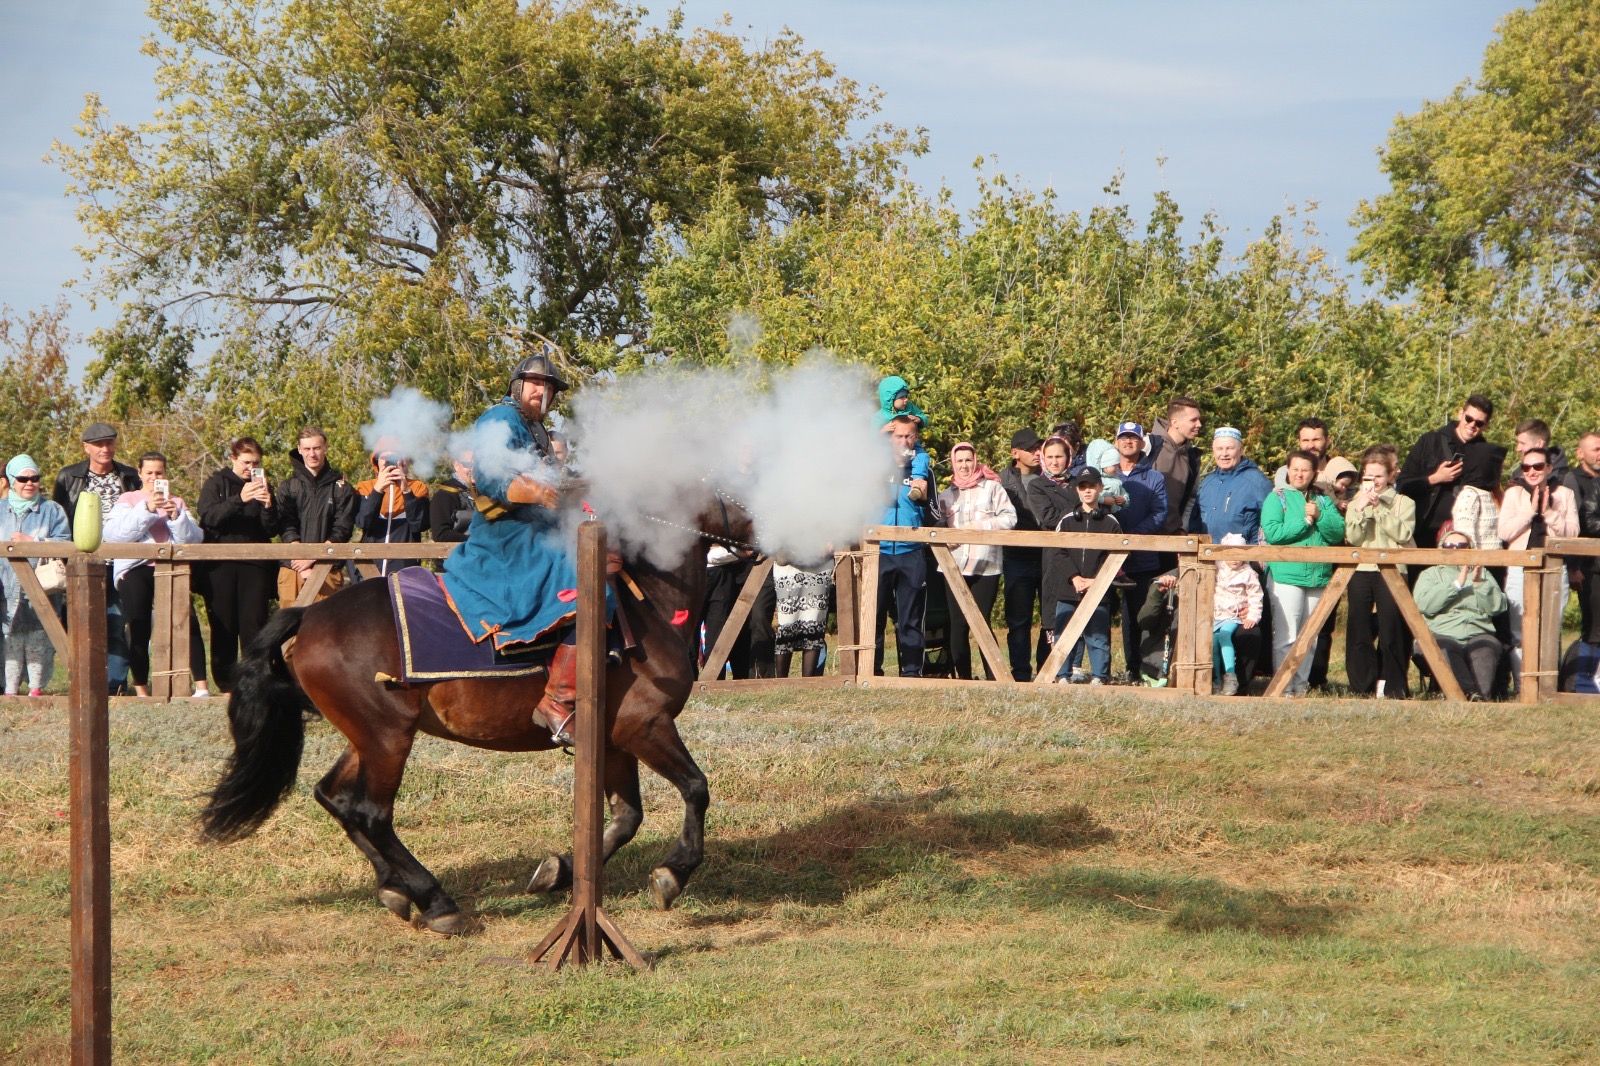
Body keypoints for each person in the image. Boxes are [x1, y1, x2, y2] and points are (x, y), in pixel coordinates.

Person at [439, 340, 608, 746]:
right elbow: (494, 479)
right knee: (589, 588)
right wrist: (536, 492)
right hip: (506, 537)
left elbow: (547, 478)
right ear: (518, 385)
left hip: (533, 530)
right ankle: (556, 700)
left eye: (548, 387)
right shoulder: (500, 418)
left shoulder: (536, 429)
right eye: (534, 383)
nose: (541, 391)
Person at [104, 452, 210, 698]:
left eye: (159, 473)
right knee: (138, 626)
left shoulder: (177, 501)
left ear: (166, 474)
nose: (154, 478)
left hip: (171, 567)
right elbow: (114, 535)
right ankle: (141, 688)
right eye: (149, 473)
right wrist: (147, 509)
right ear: (140, 474)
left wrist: (176, 517)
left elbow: (194, 539)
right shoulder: (127, 500)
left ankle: (201, 687)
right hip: (135, 567)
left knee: (188, 622)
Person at [51, 421, 142, 693]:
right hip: (82, 563)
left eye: (110, 442)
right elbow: (61, 519)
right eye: (99, 444)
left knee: (116, 625)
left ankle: (115, 686)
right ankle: (83, 685)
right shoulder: (69, 476)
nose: (106, 448)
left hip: (120, 564)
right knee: (80, 627)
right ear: (86, 447)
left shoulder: (129, 475)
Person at [198, 437, 281, 694]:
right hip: (220, 566)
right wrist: (240, 499)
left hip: (255, 565)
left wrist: (268, 505)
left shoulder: (263, 485)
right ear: (233, 458)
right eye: (246, 462)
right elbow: (209, 517)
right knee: (223, 626)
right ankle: (225, 686)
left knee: (254, 625)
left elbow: (271, 529)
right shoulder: (216, 483)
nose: (250, 468)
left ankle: (255, 683)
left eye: (255, 463)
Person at [1261, 450, 1346, 696]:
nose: (1299, 474)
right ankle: (1282, 688)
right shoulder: (1277, 498)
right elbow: (1274, 534)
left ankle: (1300, 687)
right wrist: (1305, 522)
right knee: (1286, 636)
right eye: (1295, 469)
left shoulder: (1323, 500)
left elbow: (1337, 533)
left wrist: (1319, 516)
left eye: (1305, 470)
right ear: (1288, 470)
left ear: (1314, 473)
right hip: (1286, 576)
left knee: (1310, 637)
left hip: (1318, 576)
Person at [931, 442, 1017, 680]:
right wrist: (946, 539)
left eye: (968, 460)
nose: (965, 465)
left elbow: (1010, 519)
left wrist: (977, 529)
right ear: (953, 463)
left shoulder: (993, 488)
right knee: (957, 623)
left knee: (982, 621)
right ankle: (963, 677)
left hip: (985, 565)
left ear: (976, 460)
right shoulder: (946, 495)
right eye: (959, 461)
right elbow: (936, 528)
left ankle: (994, 675)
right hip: (954, 566)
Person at [1497, 446, 1578, 687]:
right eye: (1526, 467)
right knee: (1519, 631)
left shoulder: (1564, 494)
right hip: (1520, 568)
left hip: (1553, 568)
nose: (1531, 471)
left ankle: (1548, 688)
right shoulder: (1513, 494)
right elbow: (1504, 532)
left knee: (1551, 631)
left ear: (1549, 468)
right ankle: (1525, 687)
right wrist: (1530, 510)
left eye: (1538, 466)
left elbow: (1572, 534)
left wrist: (1549, 512)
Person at [1343, 446, 1417, 698]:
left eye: (1378, 477)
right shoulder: (1355, 502)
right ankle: (1361, 686)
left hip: (1392, 570)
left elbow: (1403, 534)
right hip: (1362, 570)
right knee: (1359, 628)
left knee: (1391, 629)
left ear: (1389, 477)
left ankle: (1394, 686)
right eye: (1368, 477)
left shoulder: (1403, 503)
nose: (1373, 482)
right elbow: (1353, 538)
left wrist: (1380, 509)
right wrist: (1361, 509)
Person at [1044, 468, 1120, 684]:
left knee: (1097, 636)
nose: (1087, 491)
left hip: (1099, 588)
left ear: (1100, 488)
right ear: (1077, 490)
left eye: (1092, 486)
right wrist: (1074, 577)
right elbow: (1058, 553)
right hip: (1068, 588)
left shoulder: (1112, 523)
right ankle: (1062, 675)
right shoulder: (1066, 521)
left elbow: (1115, 556)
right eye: (1083, 487)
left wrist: (1098, 580)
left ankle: (1099, 676)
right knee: (1064, 633)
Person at [2, 455, 70, 695]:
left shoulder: (53, 511)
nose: (29, 483)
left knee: (39, 638)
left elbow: (66, 544)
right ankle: (9, 690)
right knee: (10, 638)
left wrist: (35, 542)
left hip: (43, 587)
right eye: (23, 478)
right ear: (11, 480)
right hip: (6, 585)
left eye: (34, 478)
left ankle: (36, 688)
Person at [1398, 395, 1504, 549]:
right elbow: (1402, 485)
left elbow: (1492, 498)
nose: (1472, 425)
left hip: (1464, 538)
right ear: (1461, 414)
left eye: (1479, 423)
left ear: (1486, 426)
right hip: (1424, 533)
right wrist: (1434, 478)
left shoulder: (1486, 456)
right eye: (1469, 418)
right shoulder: (1430, 441)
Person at [1414, 529, 1509, 700]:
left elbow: (1497, 607)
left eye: (1461, 546)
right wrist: (1457, 584)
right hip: (1443, 633)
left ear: (1470, 549)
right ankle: (1469, 695)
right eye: (1449, 545)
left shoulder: (1482, 572)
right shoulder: (1430, 574)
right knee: (1443, 647)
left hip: (1477, 632)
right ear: (1441, 548)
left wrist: (1479, 584)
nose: (1455, 549)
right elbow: (1425, 605)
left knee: (1485, 648)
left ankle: (1480, 699)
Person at [1107, 421, 1168, 682]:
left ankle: (1139, 669)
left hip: (1142, 555)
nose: (1128, 442)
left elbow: (1159, 513)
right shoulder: (1105, 476)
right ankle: (1101, 671)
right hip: (1107, 557)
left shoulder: (1154, 477)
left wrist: (1132, 539)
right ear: (1116, 442)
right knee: (1100, 614)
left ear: (1142, 442)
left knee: (1140, 616)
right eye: (1123, 438)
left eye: (1133, 438)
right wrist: (1114, 538)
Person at [873, 414, 932, 677]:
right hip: (879, 550)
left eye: (909, 435)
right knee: (873, 616)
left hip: (912, 552)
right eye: (899, 436)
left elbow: (935, 513)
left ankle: (911, 672)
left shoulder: (923, 468)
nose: (904, 441)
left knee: (910, 618)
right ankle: (871, 670)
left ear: (916, 437)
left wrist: (924, 498)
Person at [277, 425, 357, 603]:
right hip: (292, 567)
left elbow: (342, 530)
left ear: (325, 447)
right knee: (290, 630)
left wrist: (313, 558)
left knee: (327, 630)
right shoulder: (288, 487)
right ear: (299, 449)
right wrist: (301, 561)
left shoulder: (342, 488)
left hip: (327, 568)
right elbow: (285, 525)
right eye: (307, 449)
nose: (312, 454)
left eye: (316, 448)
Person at [999, 428, 1047, 681]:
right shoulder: (1001, 480)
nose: (1037, 453)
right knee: (1018, 620)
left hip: (1048, 556)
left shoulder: (1049, 476)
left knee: (1049, 618)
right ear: (1014, 452)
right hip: (1016, 557)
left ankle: (1047, 670)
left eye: (1038, 448)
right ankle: (1020, 673)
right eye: (1030, 449)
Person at [354, 449, 429, 576]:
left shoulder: (418, 487)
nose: (389, 462)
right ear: (376, 461)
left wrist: (406, 491)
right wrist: (377, 490)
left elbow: (420, 525)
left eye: (394, 457)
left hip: (405, 566)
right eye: (384, 458)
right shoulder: (365, 487)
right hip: (370, 565)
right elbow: (363, 522)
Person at [1193, 427, 1272, 544]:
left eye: (1229, 448)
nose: (1224, 454)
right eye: (1219, 449)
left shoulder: (1256, 481)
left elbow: (1273, 519)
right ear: (1213, 451)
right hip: (1208, 555)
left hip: (1243, 557)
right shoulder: (1207, 482)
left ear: (1240, 450)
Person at [1211, 532, 1263, 697]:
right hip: (1216, 614)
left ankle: (1231, 676)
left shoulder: (1248, 573)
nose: (1235, 559)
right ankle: (1216, 680)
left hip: (1233, 615)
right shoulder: (1217, 569)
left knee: (1224, 636)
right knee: (1213, 644)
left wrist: (1252, 616)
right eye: (1231, 554)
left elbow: (1255, 596)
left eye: (1239, 555)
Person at [1148, 397, 1203, 539]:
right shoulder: (1148, 446)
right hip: (1142, 535)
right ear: (1175, 423)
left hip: (1172, 538)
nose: (1199, 424)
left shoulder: (1192, 457)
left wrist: (1182, 528)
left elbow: (1191, 497)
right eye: (1193, 420)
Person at [772, 555, 833, 678]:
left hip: (820, 565)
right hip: (787, 566)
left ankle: (808, 682)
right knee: (786, 626)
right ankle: (780, 682)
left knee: (814, 624)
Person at [1570, 431, 1600, 649]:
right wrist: (1573, 566)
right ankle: (1588, 680)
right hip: (1587, 564)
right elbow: (1576, 526)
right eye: (1596, 449)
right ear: (1580, 453)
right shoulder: (1571, 480)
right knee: (1593, 627)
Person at [430, 451, 477, 552]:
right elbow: (440, 535)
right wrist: (476, 541)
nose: (474, 469)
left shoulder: (486, 492)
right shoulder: (444, 494)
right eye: (468, 465)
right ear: (457, 465)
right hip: (455, 561)